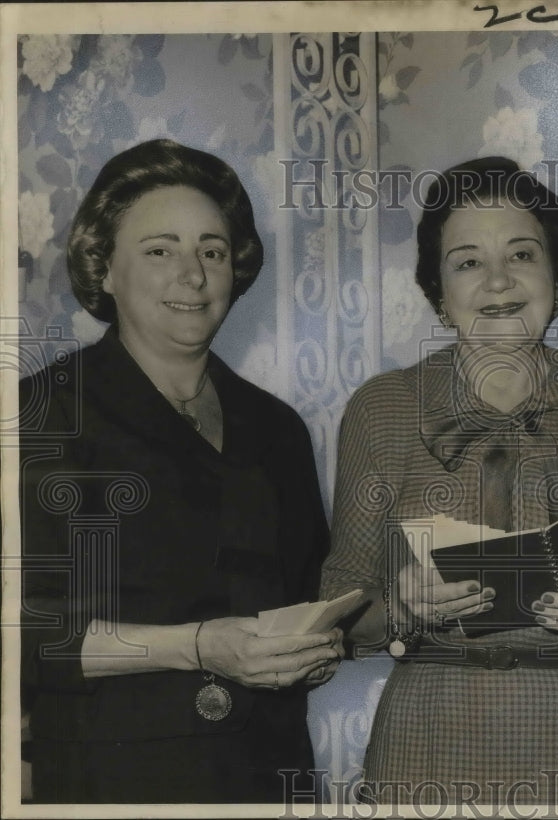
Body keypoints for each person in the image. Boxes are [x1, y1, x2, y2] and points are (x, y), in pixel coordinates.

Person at [320, 157, 558, 806]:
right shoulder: (382, 411)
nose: (499, 281)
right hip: (426, 740)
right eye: (467, 262)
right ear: (439, 291)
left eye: (522, 254)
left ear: (557, 276)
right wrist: (400, 608)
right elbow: (339, 612)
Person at [20, 140, 339, 803]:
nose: (192, 275)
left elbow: (309, 596)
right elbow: (25, 633)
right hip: (112, 779)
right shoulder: (45, 414)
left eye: (212, 252)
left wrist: (315, 647)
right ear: (105, 270)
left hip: (267, 775)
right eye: (160, 250)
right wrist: (196, 646)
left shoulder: (277, 428)